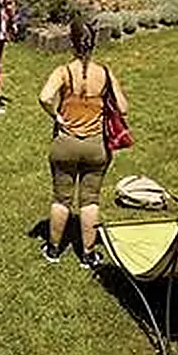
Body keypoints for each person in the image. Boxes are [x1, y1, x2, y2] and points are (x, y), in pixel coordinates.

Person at [37, 16, 128, 268]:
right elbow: (123, 108)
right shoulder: (105, 73)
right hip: (96, 147)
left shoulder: (63, 72)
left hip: (65, 144)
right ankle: (88, 255)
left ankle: (53, 250)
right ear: (94, 43)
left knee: (61, 199)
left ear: (72, 42)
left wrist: (57, 115)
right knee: (90, 200)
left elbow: (44, 97)